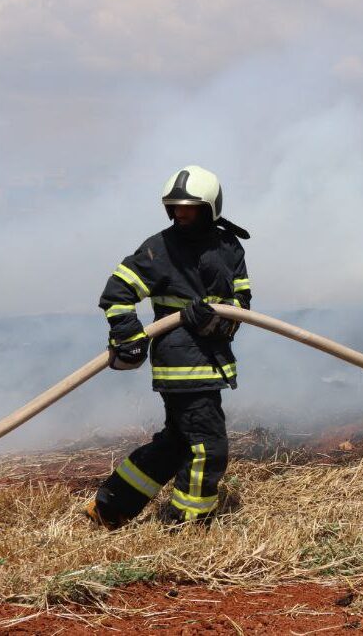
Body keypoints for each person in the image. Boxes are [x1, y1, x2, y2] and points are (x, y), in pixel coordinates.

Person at [84, 165, 251, 528]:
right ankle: (189, 522)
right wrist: (128, 335)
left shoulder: (228, 246)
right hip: (181, 365)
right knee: (209, 446)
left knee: (177, 443)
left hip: (214, 360)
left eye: (189, 207)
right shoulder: (159, 248)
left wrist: (215, 319)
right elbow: (116, 294)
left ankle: (112, 506)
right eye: (174, 207)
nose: (180, 214)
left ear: (209, 208)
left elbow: (242, 305)